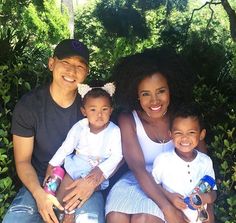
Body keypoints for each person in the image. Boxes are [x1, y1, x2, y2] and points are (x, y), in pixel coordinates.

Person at [3, 39, 105, 223]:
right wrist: (39, 195)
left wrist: (90, 183)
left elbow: (114, 153)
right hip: (41, 180)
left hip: (80, 180)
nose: (72, 71)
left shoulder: (94, 108)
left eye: (79, 66)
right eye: (65, 63)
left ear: (86, 73)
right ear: (51, 64)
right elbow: (23, 161)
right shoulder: (30, 106)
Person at [105, 49, 208, 223]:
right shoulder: (129, 120)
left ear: (170, 90)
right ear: (136, 95)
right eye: (146, 93)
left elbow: (203, 165)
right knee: (117, 217)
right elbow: (137, 168)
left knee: (144, 219)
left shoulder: (183, 118)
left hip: (174, 184)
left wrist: (205, 208)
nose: (154, 101)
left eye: (160, 91)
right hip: (137, 181)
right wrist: (167, 208)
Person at [44, 82, 123, 222]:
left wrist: (100, 171)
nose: (99, 114)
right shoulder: (80, 127)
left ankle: (71, 214)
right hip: (76, 166)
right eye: (93, 110)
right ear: (84, 111)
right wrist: (52, 164)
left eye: (104, 109)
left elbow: (117, 156)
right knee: (62, 195)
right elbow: (66, 147)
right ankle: (58, 215)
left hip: (96, 172)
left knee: (80, 199)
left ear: (111, 110)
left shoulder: (114, 131)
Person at [152, 103, 217, 223]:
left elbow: (213, 192)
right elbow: (153, 186)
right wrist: (169, 197)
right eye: (178, 133)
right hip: (173, 218)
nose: (185, 138)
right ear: (170, 134)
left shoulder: (205, 161)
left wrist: (205, 198)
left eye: (191, 133)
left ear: (201, 135)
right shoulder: (163, 160)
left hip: (201, 219)